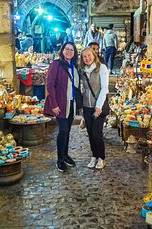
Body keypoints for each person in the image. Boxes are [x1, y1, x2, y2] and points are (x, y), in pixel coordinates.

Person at [45, 42, 80, 172]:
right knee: (63, 130)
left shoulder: (74, 66)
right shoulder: (56, 64)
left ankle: (65, 155)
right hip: (60, 104)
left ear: (75, 53)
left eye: (72, 50)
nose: (69, 51)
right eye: (67, 49)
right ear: (62, 50)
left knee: (68, 131)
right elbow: (50, 85)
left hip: (71, 104)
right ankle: (59, 159)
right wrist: (54, 104)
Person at [80, 47, 109, 169]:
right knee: (90, 133)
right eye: (84, 56)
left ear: (94, 55)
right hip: (87, 106)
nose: (87, 58)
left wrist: (98, 106)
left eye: (89, 55)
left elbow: (104, 88)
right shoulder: (82, 70)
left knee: (97, 133)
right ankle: (94, 156)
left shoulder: (101, 68)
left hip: (99, 107)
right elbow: (84, 88)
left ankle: (101, 157)